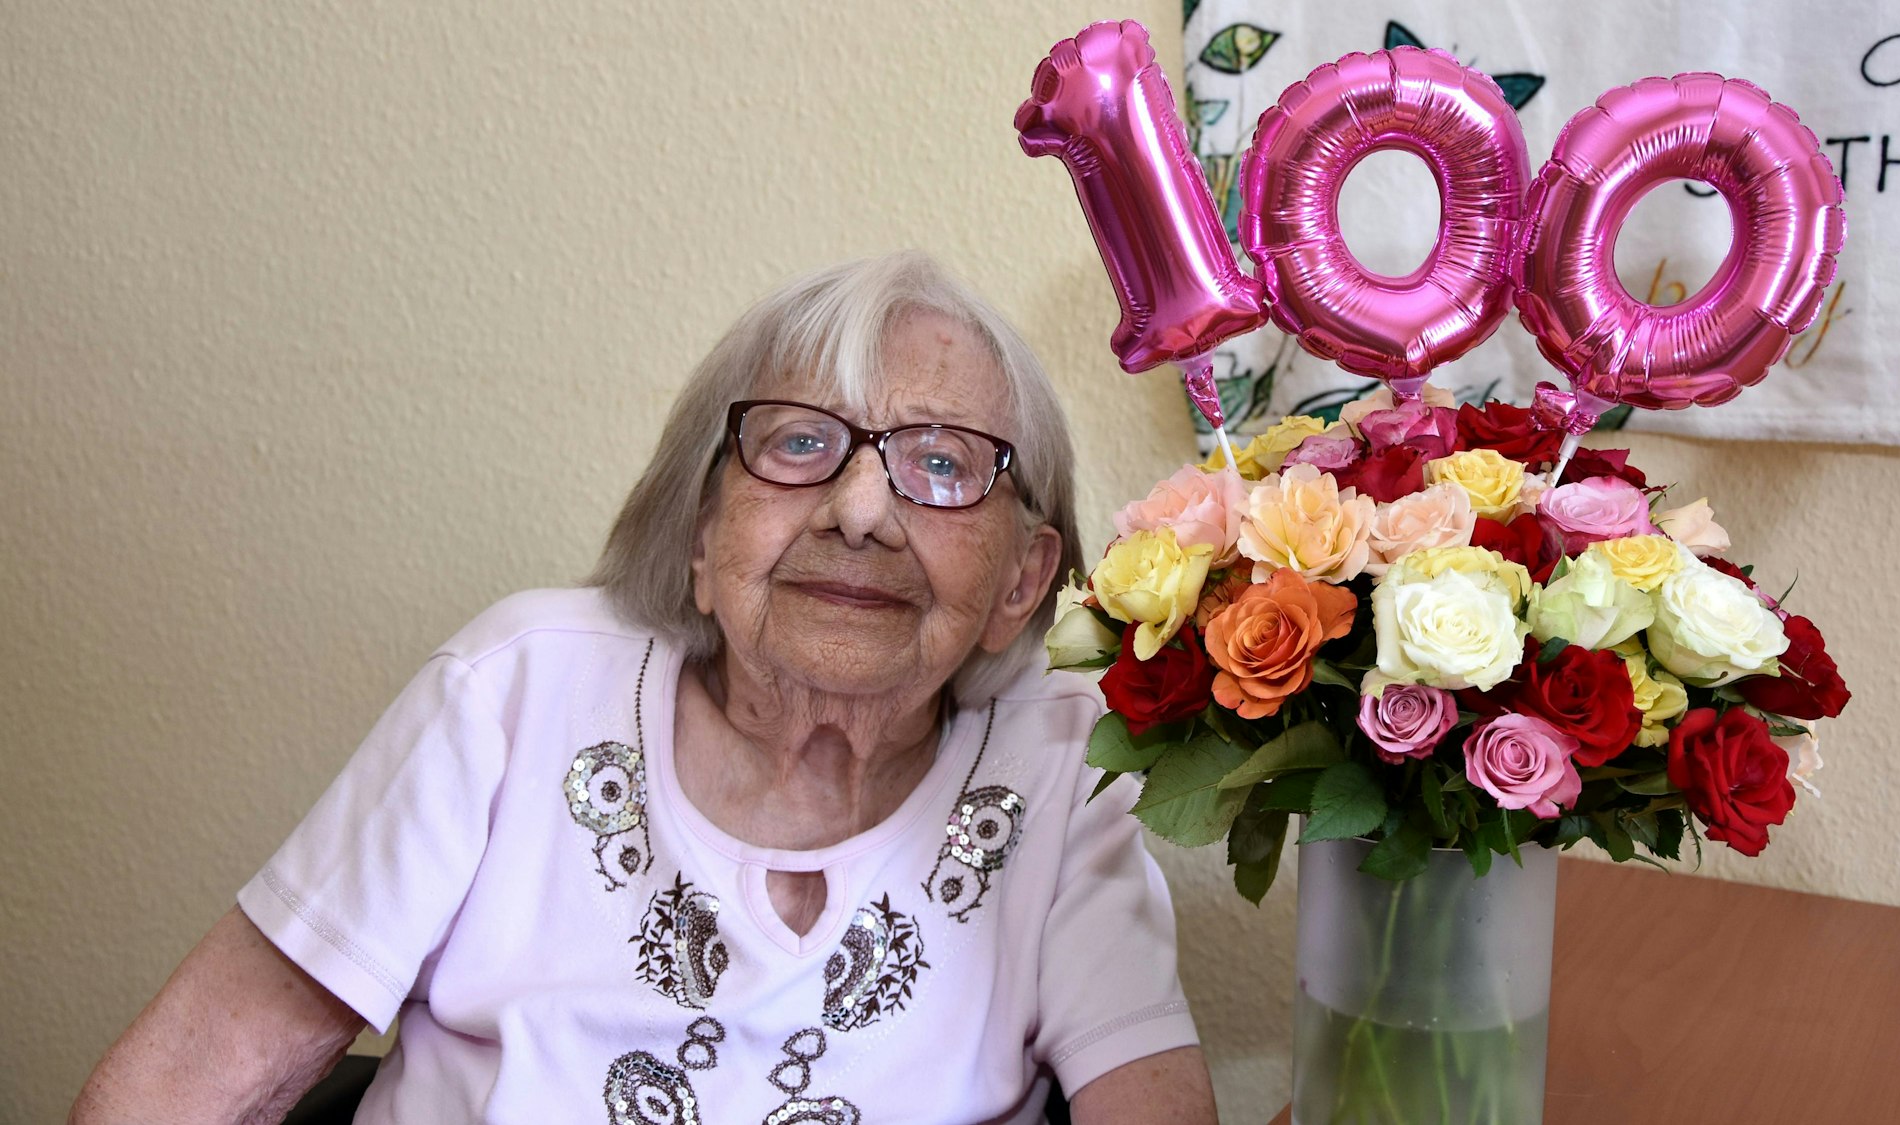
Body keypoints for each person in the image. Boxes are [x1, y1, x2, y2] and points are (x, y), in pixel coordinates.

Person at [70, 252, 1218, 1124]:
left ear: (1023, 581)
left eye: (940, 463)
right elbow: (193, 1079)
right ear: (699, 535)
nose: (861, 512)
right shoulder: (519, 687)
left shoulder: (1064, 757)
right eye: (797, 445)